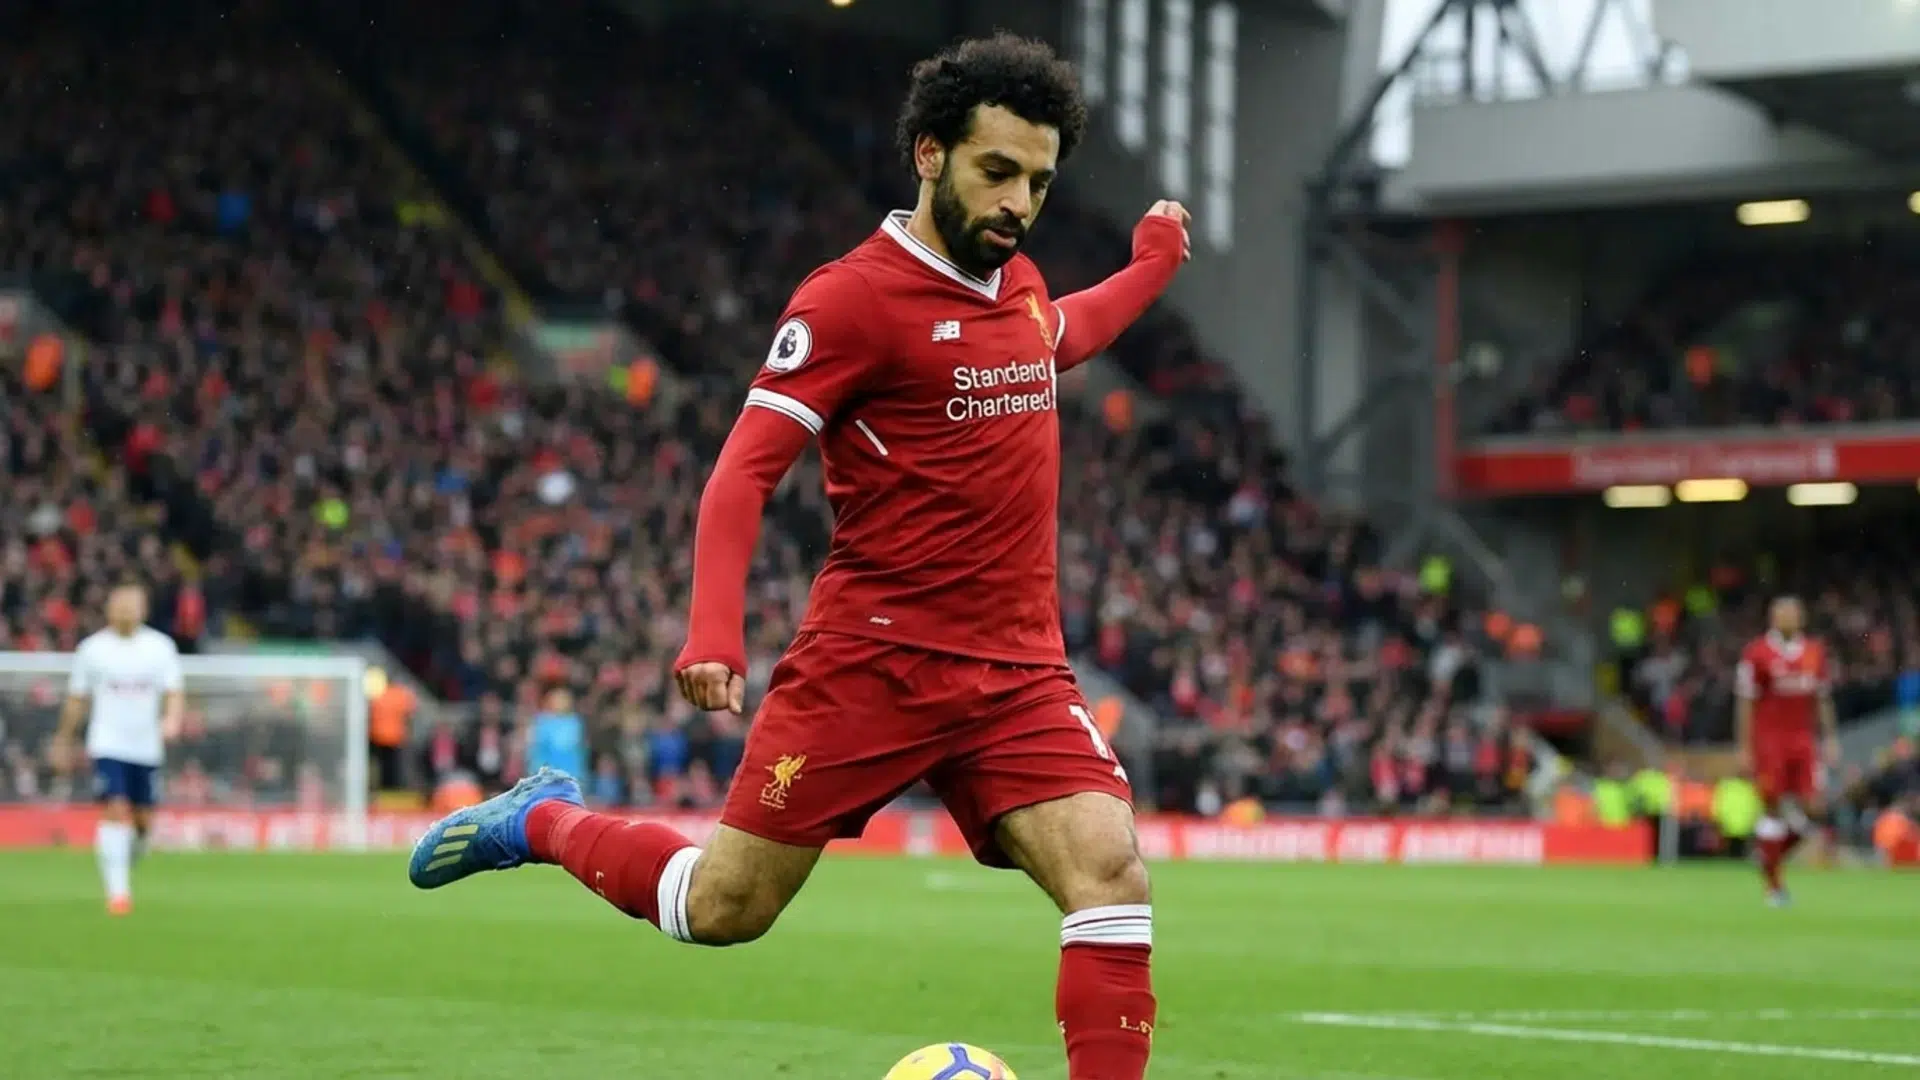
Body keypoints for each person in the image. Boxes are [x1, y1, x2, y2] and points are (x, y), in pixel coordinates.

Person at [408, 32, 1187, 1080]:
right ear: (928, 154)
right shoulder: (851, 300)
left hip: (1016, 672)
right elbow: (742, 472)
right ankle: (543, 821)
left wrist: (1150, 266)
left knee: (1113, 880)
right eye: (996, 171)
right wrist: (713, 632)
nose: (1018, 201)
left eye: (1039, 182)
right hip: (871, 665)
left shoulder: (1020, 284)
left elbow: (1063, 333)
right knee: (723, 909)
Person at [52, 583, 184, 915]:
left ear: (144, 609)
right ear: (109, 609)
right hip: (107, 743)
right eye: (120, 604)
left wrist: (172, 719)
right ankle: (118, 893)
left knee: (142, 822)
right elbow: (77, 698)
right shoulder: (92, 650)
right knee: (114, 807)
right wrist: (63, 738)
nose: (126, 610)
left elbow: (174, 691)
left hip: (146, 745)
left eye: (132, 604)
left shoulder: (160, 647)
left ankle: (128, 856)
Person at [1735, 595, 1840, 906]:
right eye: (1780, 614)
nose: (1786, 619)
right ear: (1772, 618)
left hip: (1804, 740)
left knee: (1814, 807)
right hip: (1770, 741)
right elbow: (1745, 703)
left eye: (1792, 614)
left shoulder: (1814, 653)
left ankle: (1769, 854)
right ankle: (1775, 887)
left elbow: (1822, 699)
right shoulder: (1757, 654)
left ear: (1801, 618)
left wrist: (1830, 737)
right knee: (1773, 807)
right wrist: (1744, 747)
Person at [525, 688, 587, 782]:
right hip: (545, 775)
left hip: (570, 774)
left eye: (563, 700)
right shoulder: (542, 721)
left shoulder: (575, 722)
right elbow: (536, 748)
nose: (561, 703)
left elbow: (576, 748)